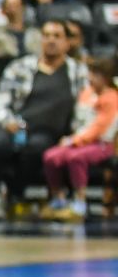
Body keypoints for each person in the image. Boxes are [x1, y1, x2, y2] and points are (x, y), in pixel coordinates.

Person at [0, 20, 87, 216]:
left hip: (48, 132)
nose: (51, 40)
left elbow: (84, 106)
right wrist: (7, 120)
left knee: (35, 150)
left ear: (67, 43)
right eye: (46, 35)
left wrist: (76, 134)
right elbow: (1, 99)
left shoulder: (78, 72)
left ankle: (9, 195)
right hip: (15, 125)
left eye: (57, 36)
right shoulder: (20, 66)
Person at [42, 56, 118, 222]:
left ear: (105, 77)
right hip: (79, 140)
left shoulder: (112, 97)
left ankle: (80, 202)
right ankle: (58, 199)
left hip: (102, 143)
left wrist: (73, 141)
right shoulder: (86, 94)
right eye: (90, 73)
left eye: (95, 74)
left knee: (76, 157)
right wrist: (72, 138)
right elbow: (78, 122)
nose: (90, 78)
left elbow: (99, 127)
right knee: (51, 156)